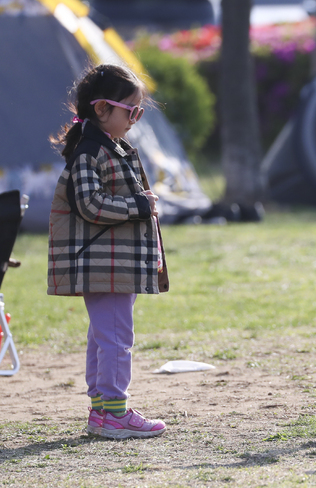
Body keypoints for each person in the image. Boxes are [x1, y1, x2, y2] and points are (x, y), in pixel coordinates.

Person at [48, 64, 169, 439]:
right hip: (104, 263)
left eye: (139, 112)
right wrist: (139, 205)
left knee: (105, 335)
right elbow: (89, 204)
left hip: (111, 263)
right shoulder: (89, 152)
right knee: (116, 337)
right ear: (102, 109)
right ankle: (115, 412)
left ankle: (102, 410)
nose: (135, 119)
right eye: (130, 111)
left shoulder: (107, 147)